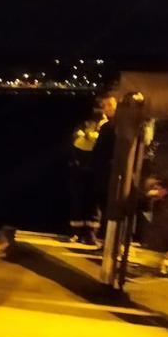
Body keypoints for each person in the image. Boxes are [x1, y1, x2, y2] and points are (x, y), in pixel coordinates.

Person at [67, 100, 110, 244]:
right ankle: (76, 233)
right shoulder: (82, 124)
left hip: (96, 169)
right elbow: (76, 140)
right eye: (98, 107)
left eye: (102, 107)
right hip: (79, 168)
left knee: (94, 202)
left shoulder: (106, 126)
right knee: (78, 200)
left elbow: (102, 145)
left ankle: (91, 234)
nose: (100, 110)